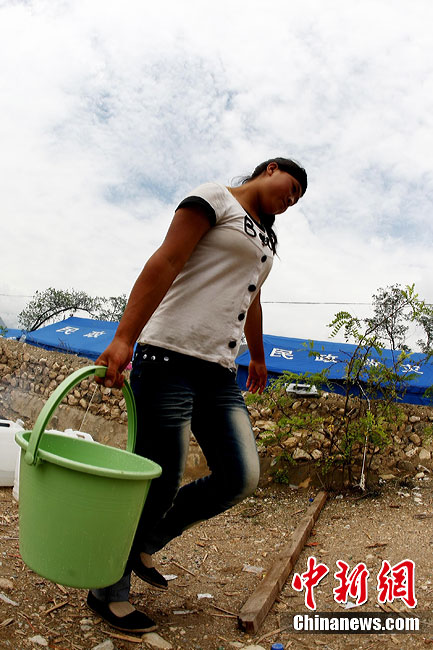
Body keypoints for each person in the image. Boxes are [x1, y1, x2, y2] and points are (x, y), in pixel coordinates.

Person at [86, 157, 308, 632]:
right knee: (159, 479)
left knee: (240, 476)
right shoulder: (215, 198)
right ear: (270, 169)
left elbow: (252, 298)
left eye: (296, 201)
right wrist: (124, 338)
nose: (290, 202)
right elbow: (166, 260)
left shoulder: (265, 239)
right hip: (169, 356)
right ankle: (107, 590)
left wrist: (258, 356)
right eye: (291, 189)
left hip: (218, 373)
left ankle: (146, 542)